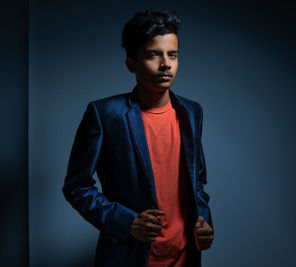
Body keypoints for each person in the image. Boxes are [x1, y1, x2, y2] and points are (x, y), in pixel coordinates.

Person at [62, 8, 214, 267]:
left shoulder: (191, 112)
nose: (166, 64)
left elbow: (197, 180)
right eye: (154, 54)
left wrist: (204, 219)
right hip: (131, 257)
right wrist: (127, 221)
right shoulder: (105, 114)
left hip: (185, 256)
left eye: (172, 55)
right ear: (132, 63)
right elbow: (77, 187)